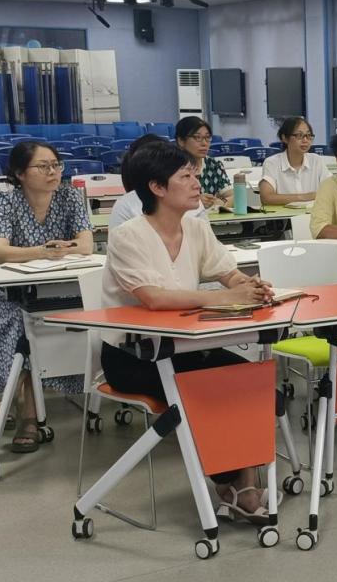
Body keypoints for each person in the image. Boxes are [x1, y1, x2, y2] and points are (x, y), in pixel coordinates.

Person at [101, 141, 276, 525]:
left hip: (186, 346)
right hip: (134, 356)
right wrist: (224, 297)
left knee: (249, 381)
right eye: (186, 176)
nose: (197, 183)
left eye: (195, 174)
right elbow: (154, 298)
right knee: (213, 391)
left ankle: (241, 486)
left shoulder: (196, 228)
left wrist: (248, 286)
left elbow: (227, 272)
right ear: (157, 187)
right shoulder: (128, 235)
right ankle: (234, 486)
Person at [0, 142, 93, 453]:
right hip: (11, 293)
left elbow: (86, 245)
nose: (53, 172)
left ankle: (16, 397)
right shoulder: (4, 201)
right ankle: (28, 415)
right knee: (22, 326)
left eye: (56, 164)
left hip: (61, 288)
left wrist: (59, 250)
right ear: (20, 173)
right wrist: (43, 251)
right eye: (43, 166)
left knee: (67, 318)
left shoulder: (70, 197)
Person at [109, 133, 206, 229]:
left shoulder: (193, 205)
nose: (197, 185)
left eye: (195, 176)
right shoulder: (127, 207)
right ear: (157, 186)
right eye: (186, 176)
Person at [258, 117, 330, 206]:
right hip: (283, 215)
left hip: (313, 214)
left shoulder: (316, 161)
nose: (305, 140)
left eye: (308, 135)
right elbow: (266, 198)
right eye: (299, 135)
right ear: (284, 138)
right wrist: (306, 197)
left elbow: (331, 191)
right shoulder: (272, 163)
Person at [175, 116, 233, 210]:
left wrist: (220, 202)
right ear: (181, 141)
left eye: (207, 137)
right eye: (197, 137)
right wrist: (196, 201)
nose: (204, 143)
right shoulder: (172, 168)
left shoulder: (214, 165)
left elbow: (235, 197)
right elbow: (168, 201)